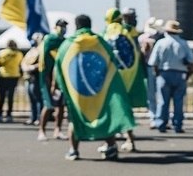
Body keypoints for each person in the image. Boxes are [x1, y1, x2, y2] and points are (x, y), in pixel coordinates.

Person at [55, 14, 136, 161]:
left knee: (75, 118)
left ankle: (74, 150)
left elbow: (59, 67)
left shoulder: (67, 44)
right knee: (104, 116)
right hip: (100, 89)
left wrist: (59, 86)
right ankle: (111, 147)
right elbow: (112, 62)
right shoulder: (100, 42)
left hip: (77, 91)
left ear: (76, 26)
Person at [101, 7, 147, 152]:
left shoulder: (104, 33)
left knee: (111, 109)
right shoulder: (128, 31)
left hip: (111, 77)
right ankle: (129, 140)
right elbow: (137, 52)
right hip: (129, 76)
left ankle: (111, 142)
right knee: (125, 107)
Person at [148, 20, 193, 133]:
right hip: (180, 74)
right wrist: (187, 75)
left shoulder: (160, 43)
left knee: (163, 101)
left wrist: (157, 73)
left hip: (164, 73)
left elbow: (153, 62)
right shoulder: (183, 43)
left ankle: (161, 124)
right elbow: (190, 61)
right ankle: (177, 125)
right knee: (179, 102)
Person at [37, 19, 68, 141]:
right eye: (61, 26)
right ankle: (42, 131)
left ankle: (57, 130)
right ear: (56, 27)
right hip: (47, 75)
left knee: (60, 105)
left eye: (65, 26)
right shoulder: (49, 39)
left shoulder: (64, 41)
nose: (63, 28)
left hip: (59, 75)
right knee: (48, 105)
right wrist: (48, 79)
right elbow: (44, 59)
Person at [0, 39, 23, 123]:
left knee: (2, 96)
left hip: (4, 75)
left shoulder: (2, 52)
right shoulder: (19, 54)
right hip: (14, 76)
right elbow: (20, 63)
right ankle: (9, 114)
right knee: (11, 96)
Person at [21, 33, 43, 126]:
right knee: (31, 100)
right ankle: (32, 117)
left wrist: (32, 67)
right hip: (28, 78)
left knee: (38, 99)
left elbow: (41, 64)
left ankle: (39, 118)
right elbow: (24, 62)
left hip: (35, 77)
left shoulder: (41, 50)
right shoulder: (31, 51)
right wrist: (26, 67)